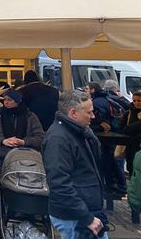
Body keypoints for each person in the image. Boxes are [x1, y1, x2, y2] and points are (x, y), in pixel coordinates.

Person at [42, 90, 108, 239]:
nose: (93, 116)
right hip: (75, 216)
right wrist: (86, 217)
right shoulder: (58, 139)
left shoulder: (77, 131)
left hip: (83, 212)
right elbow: (59, 184)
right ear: (73, 113)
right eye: (89, 112)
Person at [85, 81, 127, 196]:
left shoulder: (97, 102)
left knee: (107, 160)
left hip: (104, 138)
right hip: (110, 137)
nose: (85, 91)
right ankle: (117, 184)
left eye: (87, 89)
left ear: (93, 90)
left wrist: (98, 126)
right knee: (111, 160)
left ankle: (113, 185)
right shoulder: (105, 98)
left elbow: (103, 123)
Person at [0, 89, 44, 163]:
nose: (6, 102)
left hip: (27, 155)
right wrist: (2, 141)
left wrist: (23, 142)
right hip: (4, 156)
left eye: (9, 100)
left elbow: (40, 138)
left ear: (17, 101)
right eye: (5, 99)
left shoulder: (30, 116)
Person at [122, 91, 141, 178]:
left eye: (139, 101)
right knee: (132, 169)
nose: (136, 103)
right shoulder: (128, 113)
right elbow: (123, 129)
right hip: (131, 146)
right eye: (134, 100)